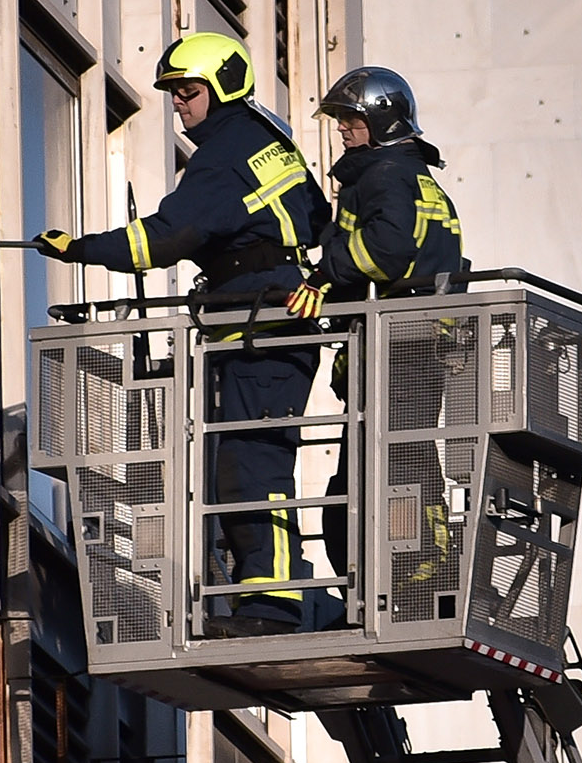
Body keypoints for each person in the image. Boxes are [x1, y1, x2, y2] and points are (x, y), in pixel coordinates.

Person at [35, 32, 329, 636]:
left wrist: (81, 249)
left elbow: (166, 238)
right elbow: (318, 217)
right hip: (261, 321)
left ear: (222, 88)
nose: (179, 105)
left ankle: (273, 604)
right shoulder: (271, 142)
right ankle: (269, 593)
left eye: (189, 92)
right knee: (249, 462)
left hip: (260, 326)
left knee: (251, 465)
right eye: (173, 94)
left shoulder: (225, 153)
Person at [287, 67, 465, 589]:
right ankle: (391, 568)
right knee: (388, 461)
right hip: (415, 338)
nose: (342, 129)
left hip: (398, 341)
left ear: (383, 121)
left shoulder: (384, 174)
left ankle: (423, 566)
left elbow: (386, 251)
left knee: (397, 462)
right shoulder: (411, 176)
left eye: (351, 119)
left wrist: (325, 273)